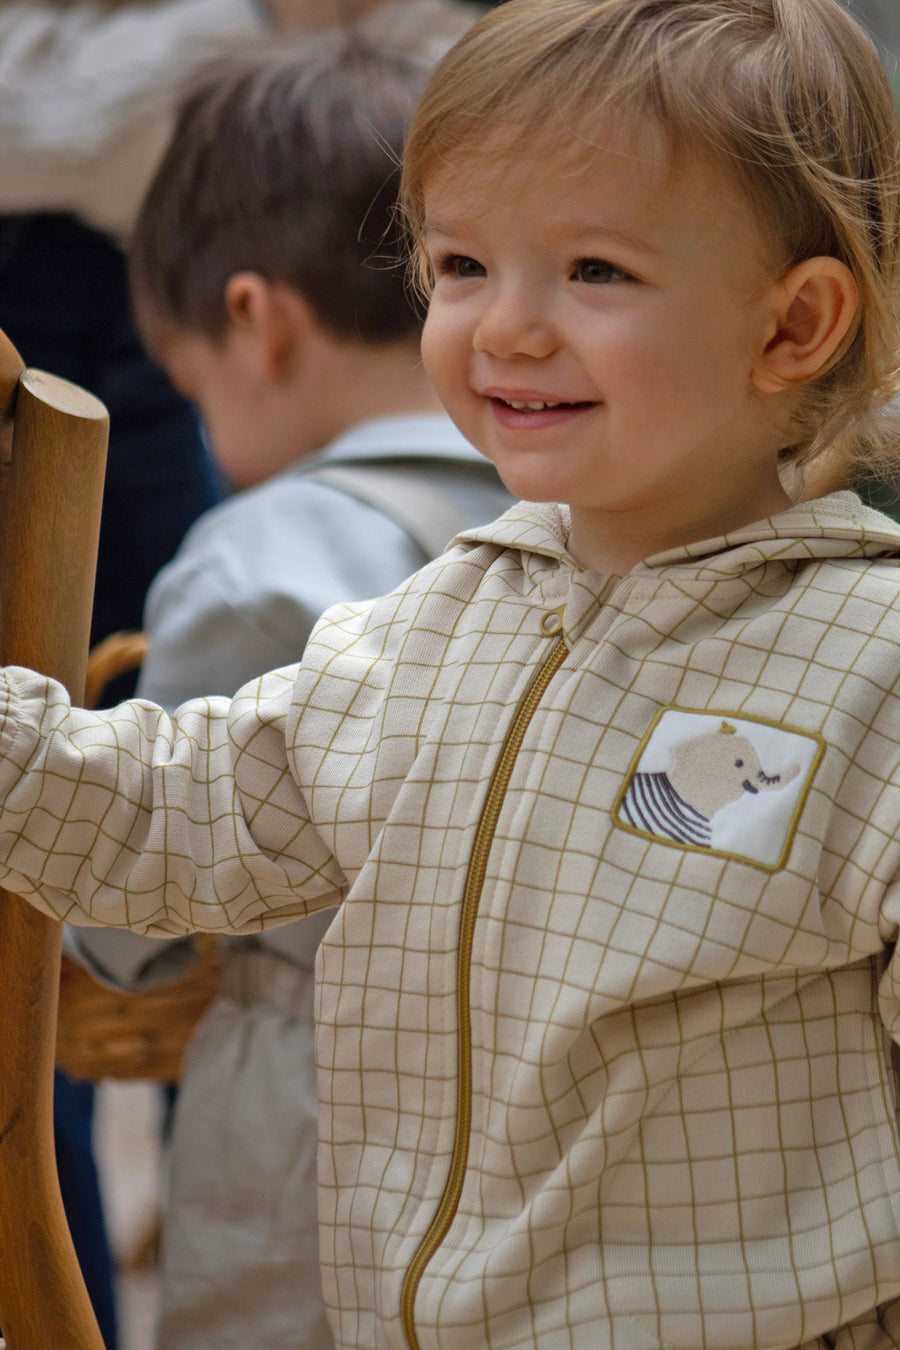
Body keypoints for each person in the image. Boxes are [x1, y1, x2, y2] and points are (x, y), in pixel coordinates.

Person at [1, 0, 900, 1346]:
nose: (507, 328)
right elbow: (178, 810)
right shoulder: (431, 623)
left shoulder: (867, 669)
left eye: (594, 270)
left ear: (795, 326)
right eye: (465, 262)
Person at [64, 25, 506, 1350]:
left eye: (191, 385)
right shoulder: (573, 507)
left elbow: (147, 891)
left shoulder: (257, 563)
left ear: (252, 323)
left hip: (323, 1106)